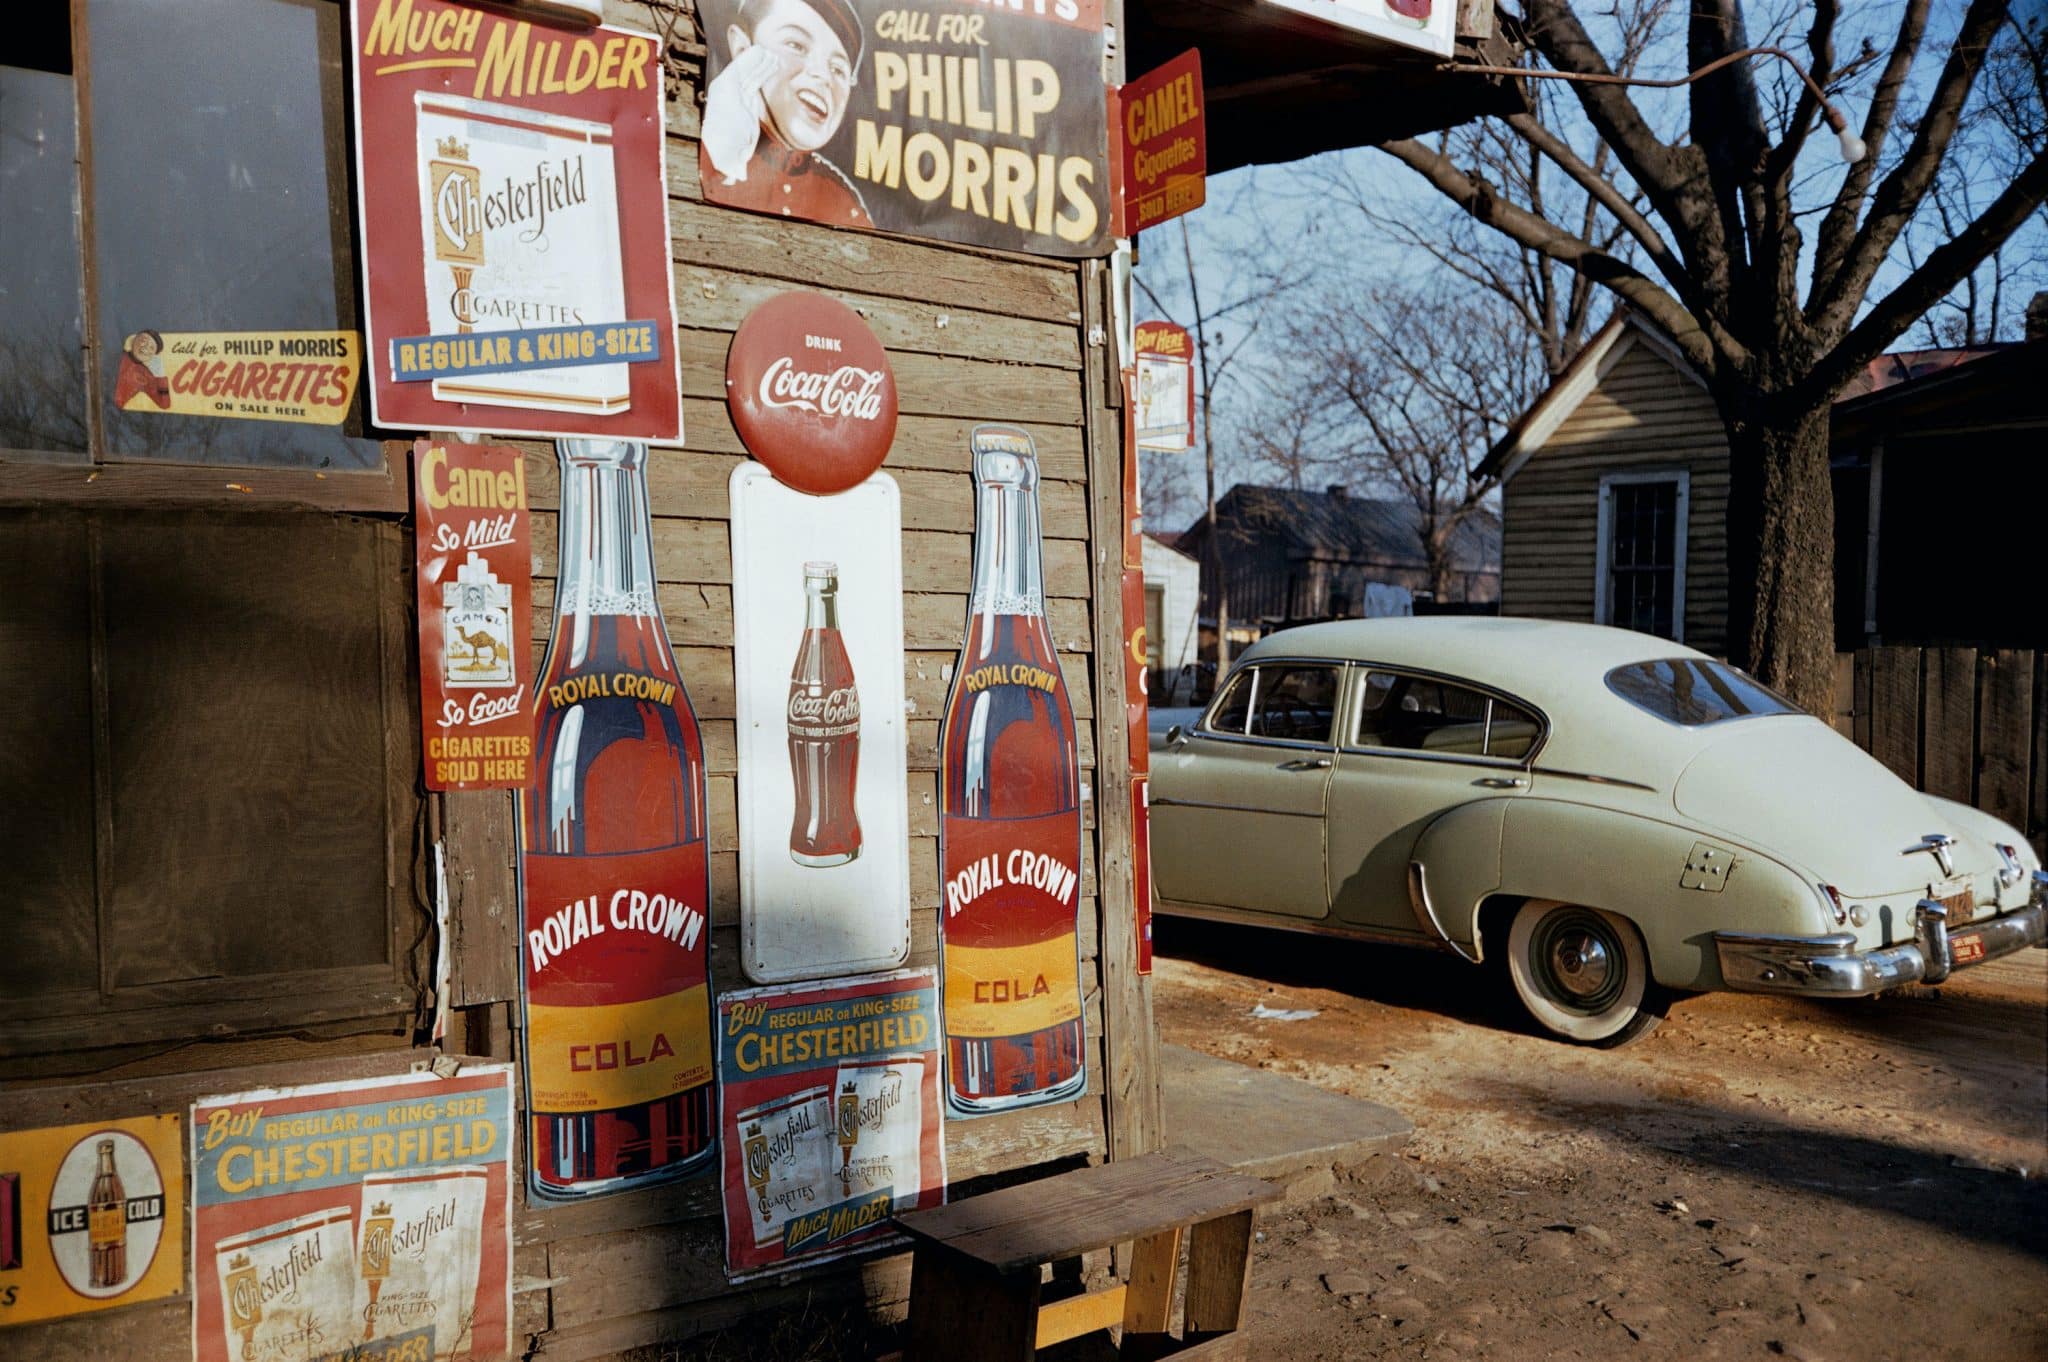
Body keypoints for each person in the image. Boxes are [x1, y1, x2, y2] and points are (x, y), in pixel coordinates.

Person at [701, 0, 872, 228]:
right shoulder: (706, 149)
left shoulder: (842, 200)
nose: (822, 75)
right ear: (742, 48)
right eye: (796, 45)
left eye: (838, 69)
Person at [115, 329, 171, 411]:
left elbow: (164, 404)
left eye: (151, 348)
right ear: (134, 339)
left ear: (153, 356)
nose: (145, 348)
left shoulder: (145, 374)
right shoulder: (117, 357)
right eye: (143, 341)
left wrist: (160, 375)